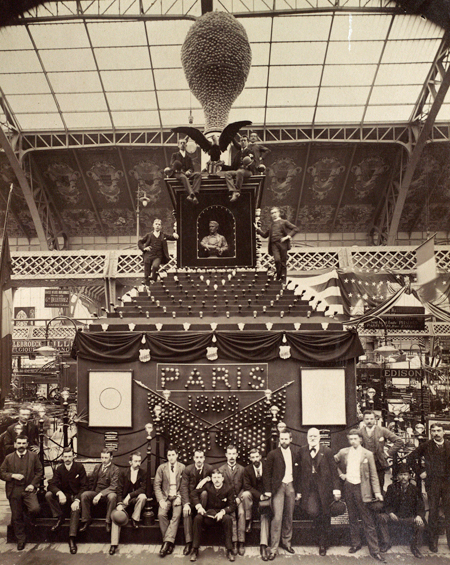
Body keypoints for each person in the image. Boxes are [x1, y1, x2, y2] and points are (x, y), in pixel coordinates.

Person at [334, 429, 385, 563]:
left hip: (363, 489)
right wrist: (341, 474)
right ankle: (356, 544)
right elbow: (333, 462)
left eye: (355, 439)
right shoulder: (344, 452)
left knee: (367, 520)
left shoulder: (368, 454)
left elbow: (373, 475)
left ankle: (375, 550)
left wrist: (377, 492)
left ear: (360, 440)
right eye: (351, 439)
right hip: (349, 487)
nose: (353, 441)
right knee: (352, 518)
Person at [407, 422, 450, 553]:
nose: (436, 433)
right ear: (431, 433)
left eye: (439, 430)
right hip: (433, 483)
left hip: (448, 483)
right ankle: (433, 542)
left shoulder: (449, 445)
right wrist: (420, 472)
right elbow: (410, 458)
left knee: (449, 511)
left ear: (444, 432)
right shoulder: (426, 446)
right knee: (433, 512)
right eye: (434, 431)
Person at [298, 428, 341, 556]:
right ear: (307, 437)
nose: (312, 438)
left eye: (315, 436)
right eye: (310, 436)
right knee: (313, 511)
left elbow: (334, 472)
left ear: (319, 438)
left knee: (325, 515)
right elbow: (299, 472)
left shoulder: (327, 451)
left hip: (324, 489)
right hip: (309, 490)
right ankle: (318, 536)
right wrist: (299, 491)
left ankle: (323, 543)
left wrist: (336, 489)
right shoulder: (302, 450)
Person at [263, 429, 301, 560]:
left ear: (291, 439)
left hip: (290, 486)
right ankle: (273, 548)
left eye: (286, 439)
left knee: (289, 516)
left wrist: (298, 491)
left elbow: (298, 474)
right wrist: (268, 490)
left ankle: (286, 543)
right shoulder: (273, 454)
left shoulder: (295, 454)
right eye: (282, 439)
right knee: (277, 517)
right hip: (278, 488)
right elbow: (267, 474)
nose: (284, 441)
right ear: (280, 439)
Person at [0, 434, 43, 550]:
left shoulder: (33, 456)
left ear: (27, 445)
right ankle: (21, 539)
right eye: (19, 443)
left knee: (35, 509)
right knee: (16, 516)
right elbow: (1, 473)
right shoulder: (9, 458)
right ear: (14, 444)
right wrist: (12, 475)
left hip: (28, 490)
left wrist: (32, 485)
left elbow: (39, 471)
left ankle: (26, 519)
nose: (21, 446)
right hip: (14, 490)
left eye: (23, 443)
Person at [377, 463, 425, 559]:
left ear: (409, 476)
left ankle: (415, 547)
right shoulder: (391, 488)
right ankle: (386, 543)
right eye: (401, 474)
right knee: (381, 517)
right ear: (397, 476)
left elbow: (420, 506)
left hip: (409, 517)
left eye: (405, 474)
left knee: (421, 524)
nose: (403, 477)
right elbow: (386, 504)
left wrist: (419, 516)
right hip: (395, 517)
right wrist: (390, 513)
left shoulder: (415, 489)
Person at [45, 446, 87, 554]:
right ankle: (60, 516)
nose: (67, 459)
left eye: (69, 456)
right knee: (49, 495)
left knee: (75, 509)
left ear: (73, 456)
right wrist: (59, 493)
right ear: (62, 457)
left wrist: (77, 500)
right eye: (65, 456)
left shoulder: (79, 467)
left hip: (76, 496)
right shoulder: (59, 469)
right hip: (64, 495)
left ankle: (72, 538)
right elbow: (51, 484)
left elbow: (84, 486)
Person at [190, 468, 237, 562]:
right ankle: (194, 549)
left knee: (228, 519)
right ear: (211, 478)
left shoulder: (229, 488)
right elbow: (193, 493)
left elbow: (232, 505)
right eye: (214, 477)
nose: (216, 480)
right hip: (209, 515)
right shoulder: (208, 486)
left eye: (219, 477)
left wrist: (223, 512)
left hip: (221, 515)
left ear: (223, 478)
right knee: (197, 518)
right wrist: (199, 507)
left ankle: (229, 549)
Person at [109, 451, 147, 555]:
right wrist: (120, 504)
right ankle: (113, 544)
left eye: (139, 461)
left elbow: (143, 489)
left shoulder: (143, 473)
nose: (138, 463)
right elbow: (119, 490)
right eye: (135, 461)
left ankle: (135, 519)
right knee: (116, 514)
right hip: (124, 501)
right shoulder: (123, 473)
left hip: (135, 500)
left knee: (143, 497)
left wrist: (130, 495)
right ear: (130, 462)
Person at [180, 449, 214, 556]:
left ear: (204, 458)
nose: (199, 460)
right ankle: (189, 542)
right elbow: (184, 487)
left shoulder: (209, 468)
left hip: (204, 500)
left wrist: (207, 479)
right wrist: (186, 504)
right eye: (197, 457)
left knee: (204, 494)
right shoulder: (188, 469)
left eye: (201, 457)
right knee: (186, 512)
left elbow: (217, 478)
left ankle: (200, 519)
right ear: (194, 458)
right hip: (191, 498)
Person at [154, 444, 186, 557]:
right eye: (169, 455)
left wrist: (180, 497)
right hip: (165, 497)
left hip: (177, 497)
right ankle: (169, 542)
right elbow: (157, 485)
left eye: (173, 455)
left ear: (177, 455)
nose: (171, 457)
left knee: (176, 515)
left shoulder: (182, 468)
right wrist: (161, 500)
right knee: (161, 514)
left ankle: (166, 544)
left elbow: (184, 485)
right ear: (167, 456)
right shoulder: (161, 468)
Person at [360, 410, 404, 490]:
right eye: (367, 419)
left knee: (379, 485)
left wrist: (387, 454)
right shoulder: (360, 432)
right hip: (365, 463)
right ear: (363, 420)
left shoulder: (382, 430)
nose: (369, 421)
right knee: (366, 486)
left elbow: (399, 441)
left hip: (379, 463)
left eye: (371, 419)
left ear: (375, 419)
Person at [255, 207, 300, 283]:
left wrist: (287, 237)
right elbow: (265, 235)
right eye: (272, 213)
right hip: (274, 244)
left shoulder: (284, 222)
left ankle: (283, 279)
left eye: (275, 212)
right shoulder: (271, 225)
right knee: (277, 260)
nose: (273, 214)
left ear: (279, 213)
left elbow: (296, 229)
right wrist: (257, 229)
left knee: (283, 262)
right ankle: (279, 275)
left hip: (282, 244)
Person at [79, 449, 119, 533]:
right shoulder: (97, 467)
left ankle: (108, 521)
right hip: (96, 492)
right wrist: (92, 493)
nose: (103, 460)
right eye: (102, 457)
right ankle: (86, 520)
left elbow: (113, 486)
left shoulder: (115, 469)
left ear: (111, 458)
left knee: (113, 496)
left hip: (107, 493)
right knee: (84, 495)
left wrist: (100, 494)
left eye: (106, 458)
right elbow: (92, 481)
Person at [242, 447, 271, 561]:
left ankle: (263, 546)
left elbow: (272, 480)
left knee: (265, 517)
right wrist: (259, 496)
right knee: (245, 494)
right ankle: (248, 520)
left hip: (266, 498)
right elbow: (247, 486)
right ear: (250, 459)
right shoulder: (247, 470)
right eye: (252, 457)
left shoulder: (267, 466)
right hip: (254, 499)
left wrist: (267, 495)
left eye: (257, 456)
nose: (255, 459)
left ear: (260, 457)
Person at [219, 444, 246, 556]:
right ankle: (234, 542)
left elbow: (245, 486)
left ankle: (241, 542)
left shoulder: (242, 469)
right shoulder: (221, 470)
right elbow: (220, 486)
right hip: (228, 500)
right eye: (229, 454)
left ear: (237, 455)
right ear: (226, 455)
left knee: (241, 513)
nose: (231, 456)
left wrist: (239, 497)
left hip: (239, 499)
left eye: (233, 454)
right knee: (232, 516)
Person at [138, 218, 179, 285]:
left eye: (159, 224)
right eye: (156, 224)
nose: (157, 226)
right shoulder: (149, 235)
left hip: (158, 256)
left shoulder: (163, 235)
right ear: (153, 225)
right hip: (148, 255)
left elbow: (173, 237)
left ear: (161, 227)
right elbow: (140, 242)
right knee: (147, 272)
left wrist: (175, 235)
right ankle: (147, 284)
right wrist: (144, 248)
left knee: (155, 266)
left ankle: (153, 280)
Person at [167, 138, 202, 203]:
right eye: (181, 143)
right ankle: (192, 195)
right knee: (183, 177)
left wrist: (189, 171)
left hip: (186, 173)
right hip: (178, 173)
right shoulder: (175, 155)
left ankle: (194, 192)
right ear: (178, 145)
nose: (182, 144)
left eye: (184, 143)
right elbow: (172, 165)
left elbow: (192, 168)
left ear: (186, 145)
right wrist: (180, 170)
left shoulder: (188, 157)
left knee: (198, 174)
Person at [224, 135, 256, 202]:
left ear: (248, 142)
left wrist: (248, 165)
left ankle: (237, 191)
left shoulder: (250, 152)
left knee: (239, 172)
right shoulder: (238, 154)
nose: (243, 142)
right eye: (241, 141)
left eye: (244, 140)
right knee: (227, 173)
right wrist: (222, 166)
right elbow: (232, 167)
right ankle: (233, 191)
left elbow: (253, 162)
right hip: (239, 171)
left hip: (247, 171)